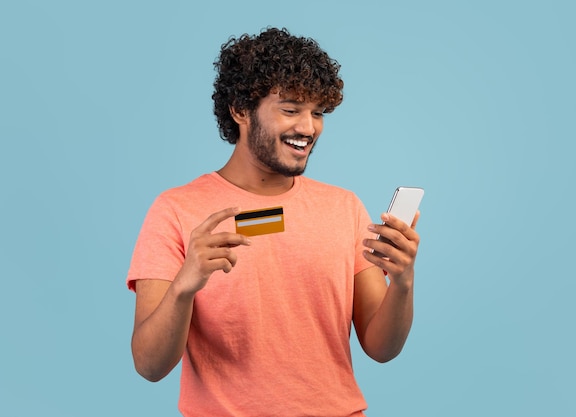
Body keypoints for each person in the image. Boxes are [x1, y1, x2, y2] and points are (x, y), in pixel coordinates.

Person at [127, 27, 420, 417]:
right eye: (291, 108)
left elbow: (381, 349)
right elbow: (149, 365)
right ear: (240, 110)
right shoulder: (177, 210)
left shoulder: (343, 208)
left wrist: (402, 281)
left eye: (317, 112)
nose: (308, 127)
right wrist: (184, 285)